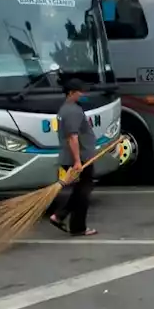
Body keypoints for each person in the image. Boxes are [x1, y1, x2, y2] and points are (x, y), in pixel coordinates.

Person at [48, 78, 99, 237]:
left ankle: (59, 216)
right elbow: (73, 137)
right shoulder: (72, 111)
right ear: (71, 93)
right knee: (83, 193)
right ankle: (78, 228)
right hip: (79, 159)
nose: (83, 94)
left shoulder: (67, 109)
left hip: (75, 157)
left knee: (79, 191)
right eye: (80, 91)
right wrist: (77, 161)